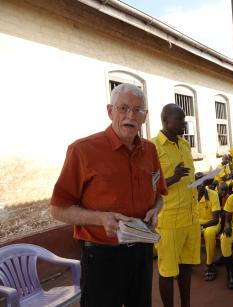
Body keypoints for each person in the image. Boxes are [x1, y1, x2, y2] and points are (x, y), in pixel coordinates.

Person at [50, 83, 167, 307]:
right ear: (110, 111)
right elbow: (58, 209)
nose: (130, 115)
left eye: (137, 110)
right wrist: (101, 218)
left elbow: (159, 195)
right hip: (103, 256)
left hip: (142, 251)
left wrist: (155, 210)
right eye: (123, 108)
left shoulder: (150, 151)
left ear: (145, 116)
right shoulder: (82, 150)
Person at [152, 104, 200, 307]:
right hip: (169, 220)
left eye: (184, 119)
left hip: (191, 217)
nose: (184, 123)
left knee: (187, 267)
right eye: (180, 120)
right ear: (166, 121)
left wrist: (199, 179)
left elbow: (187, 179)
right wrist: (172, 178)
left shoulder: (184, 144)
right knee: (168, 271)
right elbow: (148, 184)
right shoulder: (152, 147)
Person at [195, 173, 221, 282]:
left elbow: (215, 219)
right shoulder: (190, 195)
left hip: (211, 223)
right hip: (196, 224)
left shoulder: (213, 194)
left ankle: (210, 265)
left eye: (202, 181)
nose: (200, 184)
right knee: (183, 230)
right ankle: (184, 263)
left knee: (209, 233)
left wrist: (202, 226)